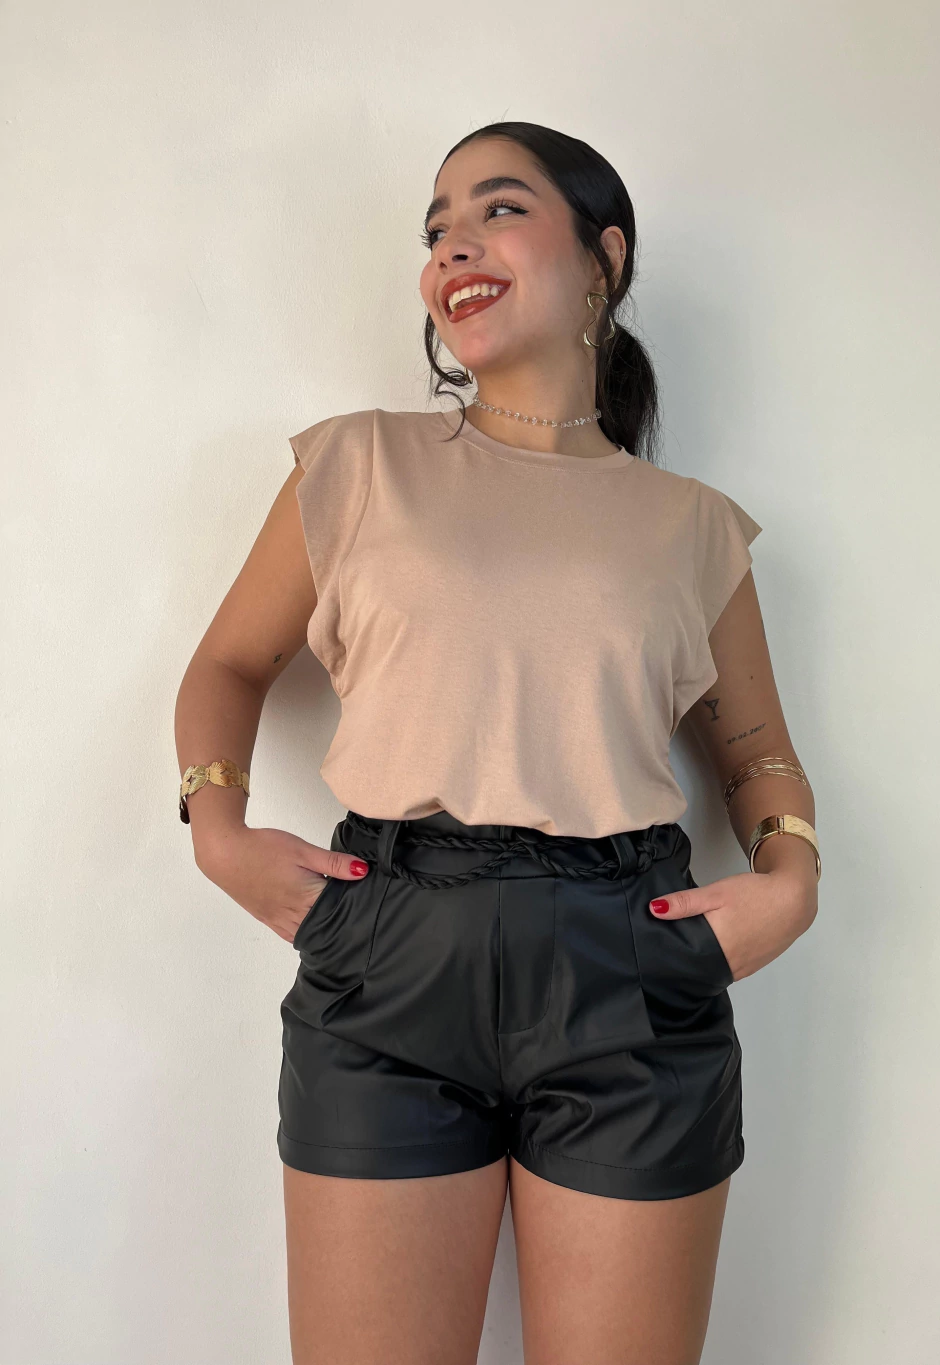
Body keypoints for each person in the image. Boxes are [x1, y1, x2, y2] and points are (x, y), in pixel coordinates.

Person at [175, 121, 819, 1365]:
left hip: (631, 966)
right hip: (388, 953)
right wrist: (216, 826)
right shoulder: (359, 461)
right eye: (435, 228)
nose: (452, 246)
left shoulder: (692, 527)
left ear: (603, 257)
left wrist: (791, 873)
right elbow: (229, 664)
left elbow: (756, 756)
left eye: (498, 209)